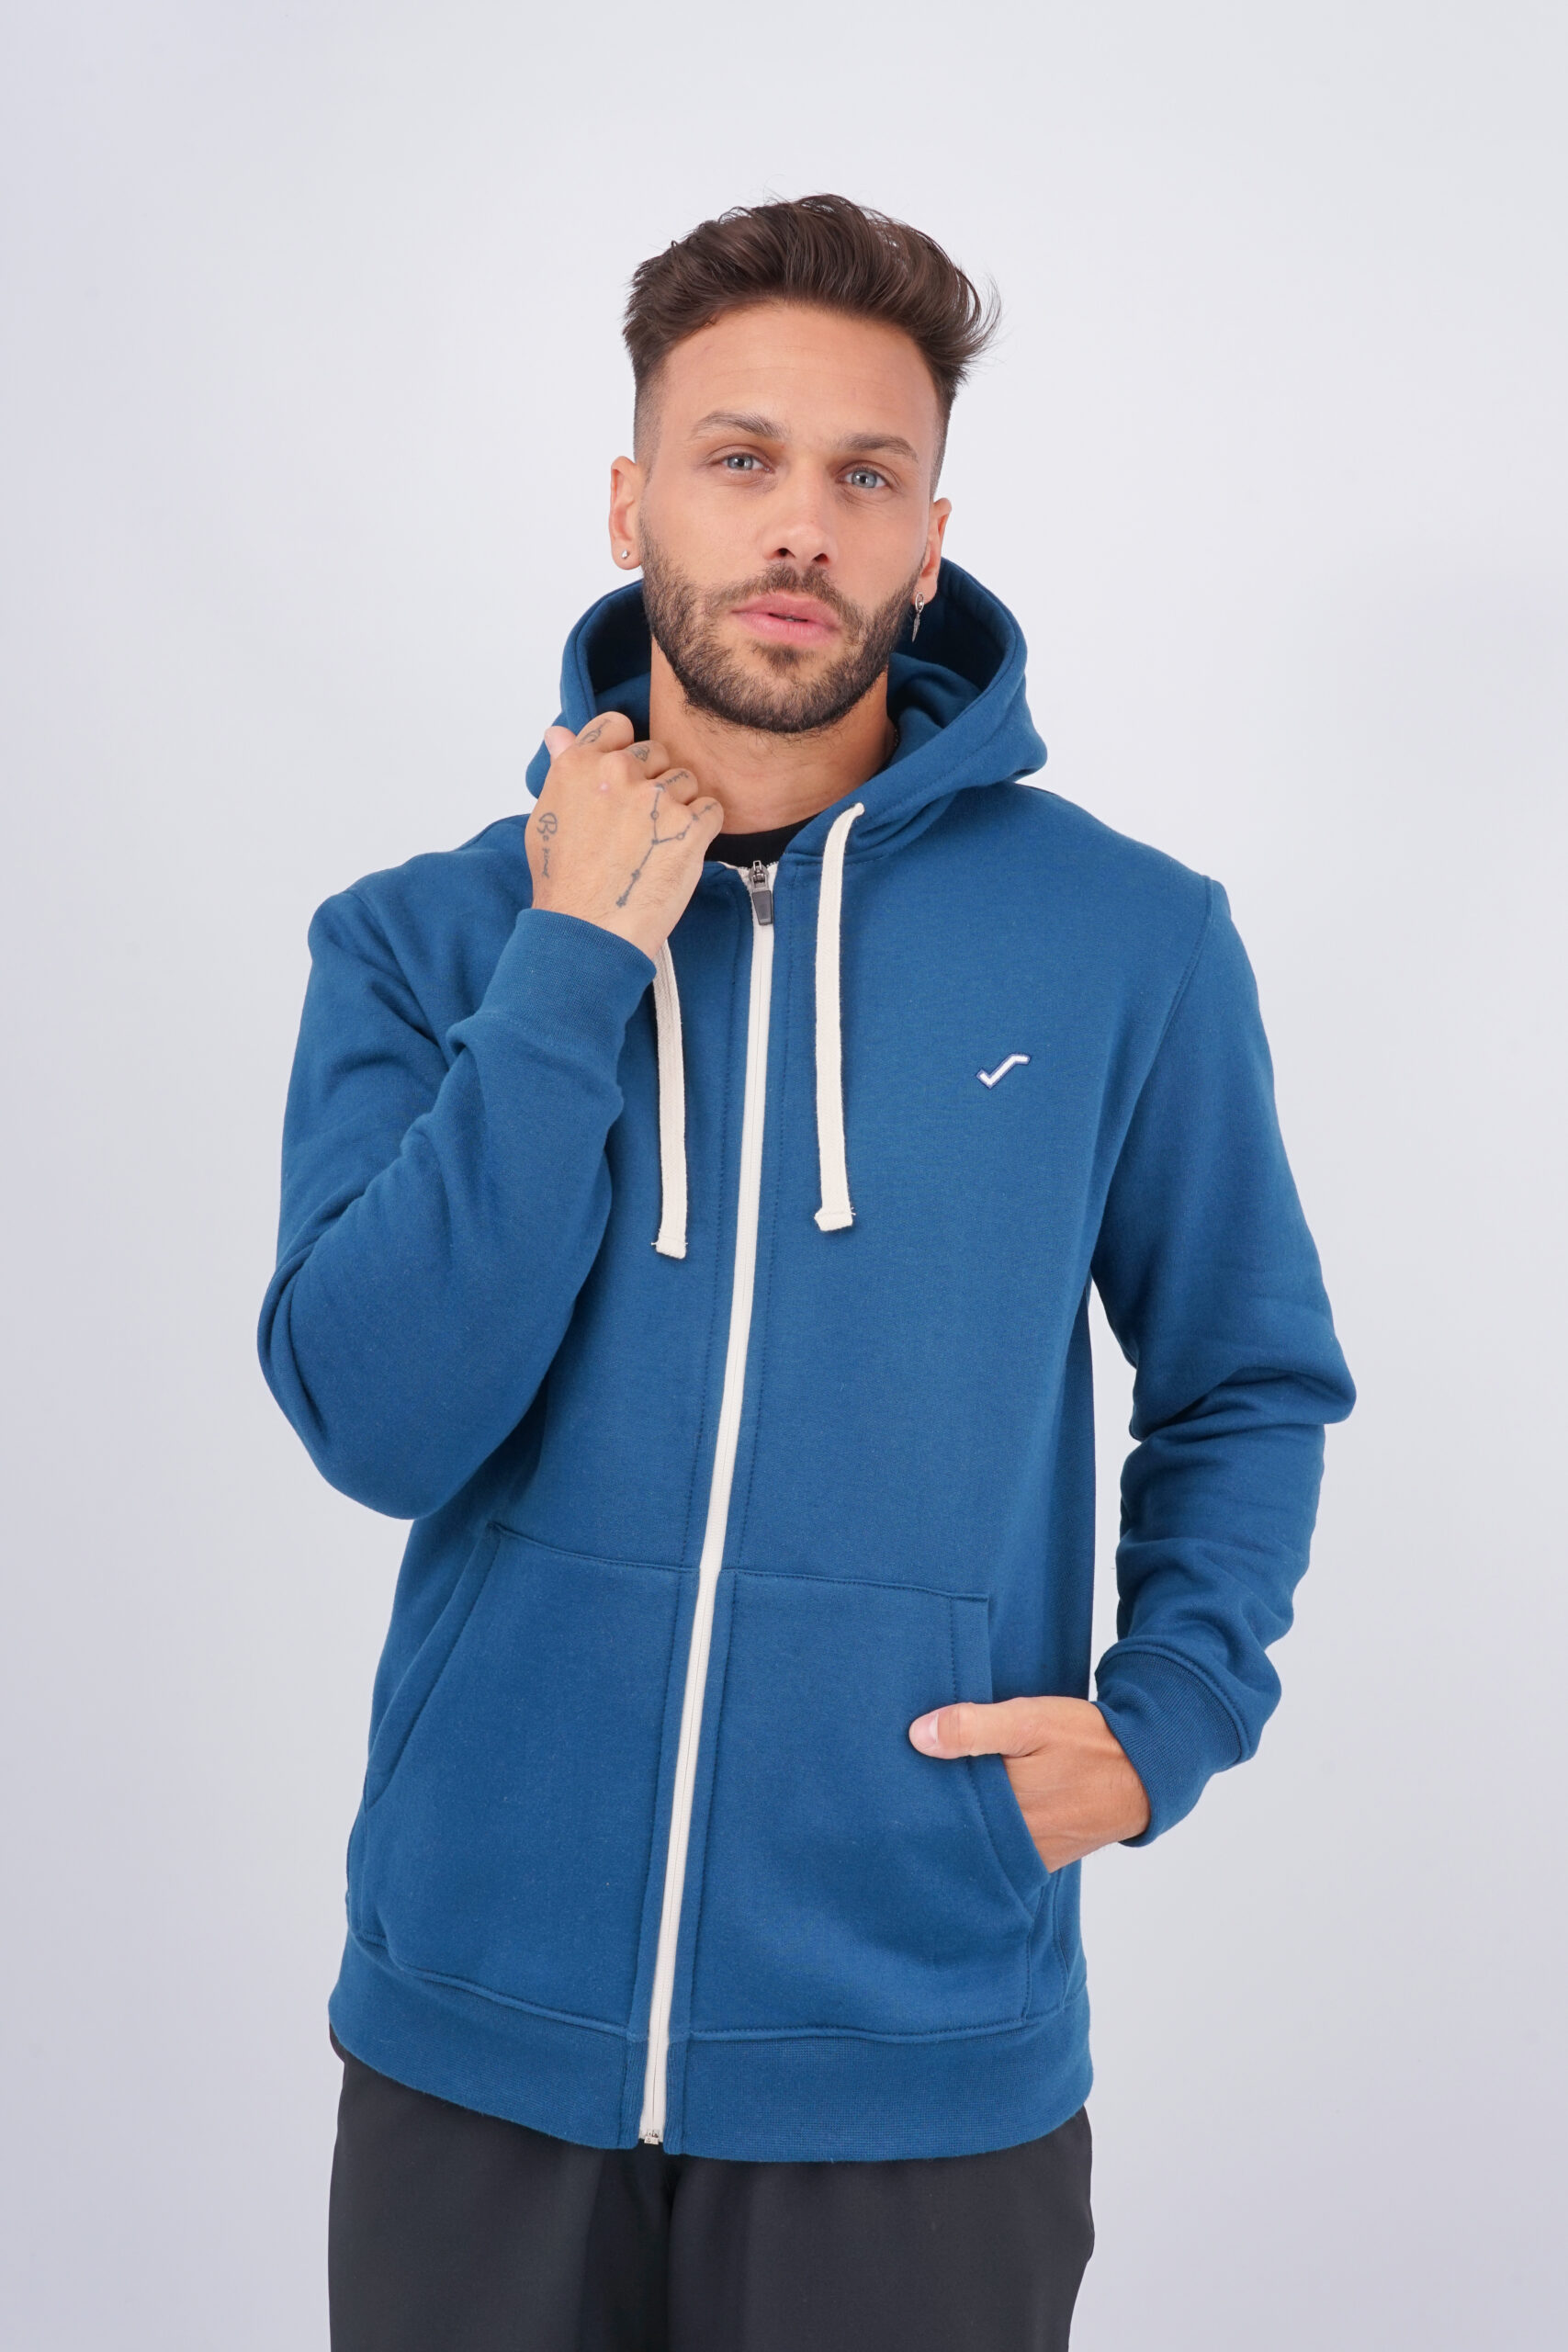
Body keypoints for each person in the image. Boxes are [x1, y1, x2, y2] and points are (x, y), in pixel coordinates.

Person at [259, 192, 1355, 2352]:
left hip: (915, 2057)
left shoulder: (1125, 941)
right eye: (739, 457)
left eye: (863, 476)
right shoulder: (422, 938)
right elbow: (379, 1421)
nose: (799, 527)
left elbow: (1244, 1375)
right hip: (471, 2040)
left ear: (927, 538)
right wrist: (571, 958)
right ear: (630, 499)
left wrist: (1165, 1719)